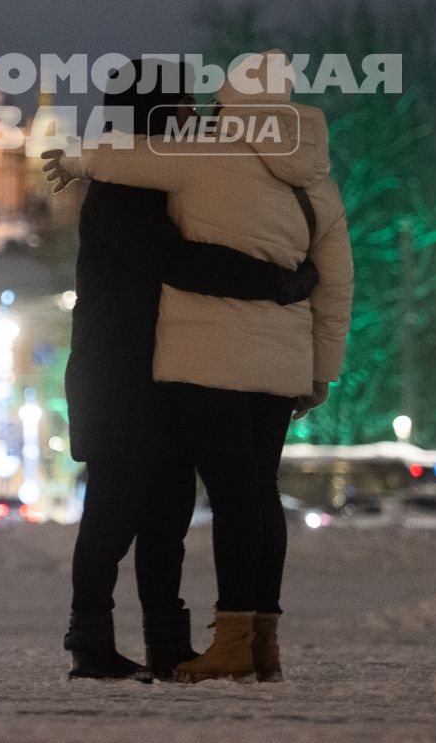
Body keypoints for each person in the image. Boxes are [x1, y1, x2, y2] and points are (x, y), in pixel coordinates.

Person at [46, 50, 354, 683]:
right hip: (121, 376)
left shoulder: (175, 172)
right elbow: (180, 262)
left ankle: (166, 641)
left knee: (167, 517)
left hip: (171, 367)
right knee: (115, 512)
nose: (195, 114)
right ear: (158, 109)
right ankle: (90, 637)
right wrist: (279, 282)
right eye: (183, 103)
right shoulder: (127, 186)